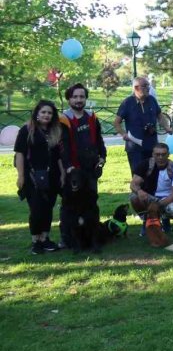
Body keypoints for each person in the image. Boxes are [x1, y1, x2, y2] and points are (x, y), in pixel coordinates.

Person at [14, 100, 69, 254]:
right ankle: (35, 241)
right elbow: (19, 153)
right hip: (32, 176)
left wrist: (63, 174)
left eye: (50, 113)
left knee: (48, 208)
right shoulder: (26, 130)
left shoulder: (55, 131)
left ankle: (45, 238)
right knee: (36, 209)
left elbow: (58, 155)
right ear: (37, 113)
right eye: (43, 112)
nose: (46, 115)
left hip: (52, 176)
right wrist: (21, 176)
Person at [59, 83, 107, 248]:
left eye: (82, 96)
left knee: (91, 202)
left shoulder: (92, 117)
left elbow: (99, 140)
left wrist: (103, 157)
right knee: (68, 204)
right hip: (72, 170)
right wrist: (67, 166)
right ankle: (66, 237)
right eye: (75, 97)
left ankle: (91, 236)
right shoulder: (63, 119)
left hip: (91, 168)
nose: (79, 100)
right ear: (69, 99)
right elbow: (61, 145)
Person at [114, 77, 171, 174]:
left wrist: (166, 127)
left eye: (148, 85)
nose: (148, 88)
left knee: (153, 174)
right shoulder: (127, 103)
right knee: (138, 175)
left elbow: (160, 116)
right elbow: (116, 122)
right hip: (135, 148)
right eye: (145, 86)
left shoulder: (152, 100)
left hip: (152, 146)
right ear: (136, 88)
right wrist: (124, 134)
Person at [129, 142, 173, 234]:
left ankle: (165, 219)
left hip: (167, 198)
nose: (160, 157)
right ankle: (146, 221)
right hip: (149, 197)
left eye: (163, 154)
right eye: (157, 154)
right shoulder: (145, 164)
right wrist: (139, 191)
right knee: (134, 197)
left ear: (168, 154)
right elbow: (133, 184)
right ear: (152, 154)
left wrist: (158, 205)